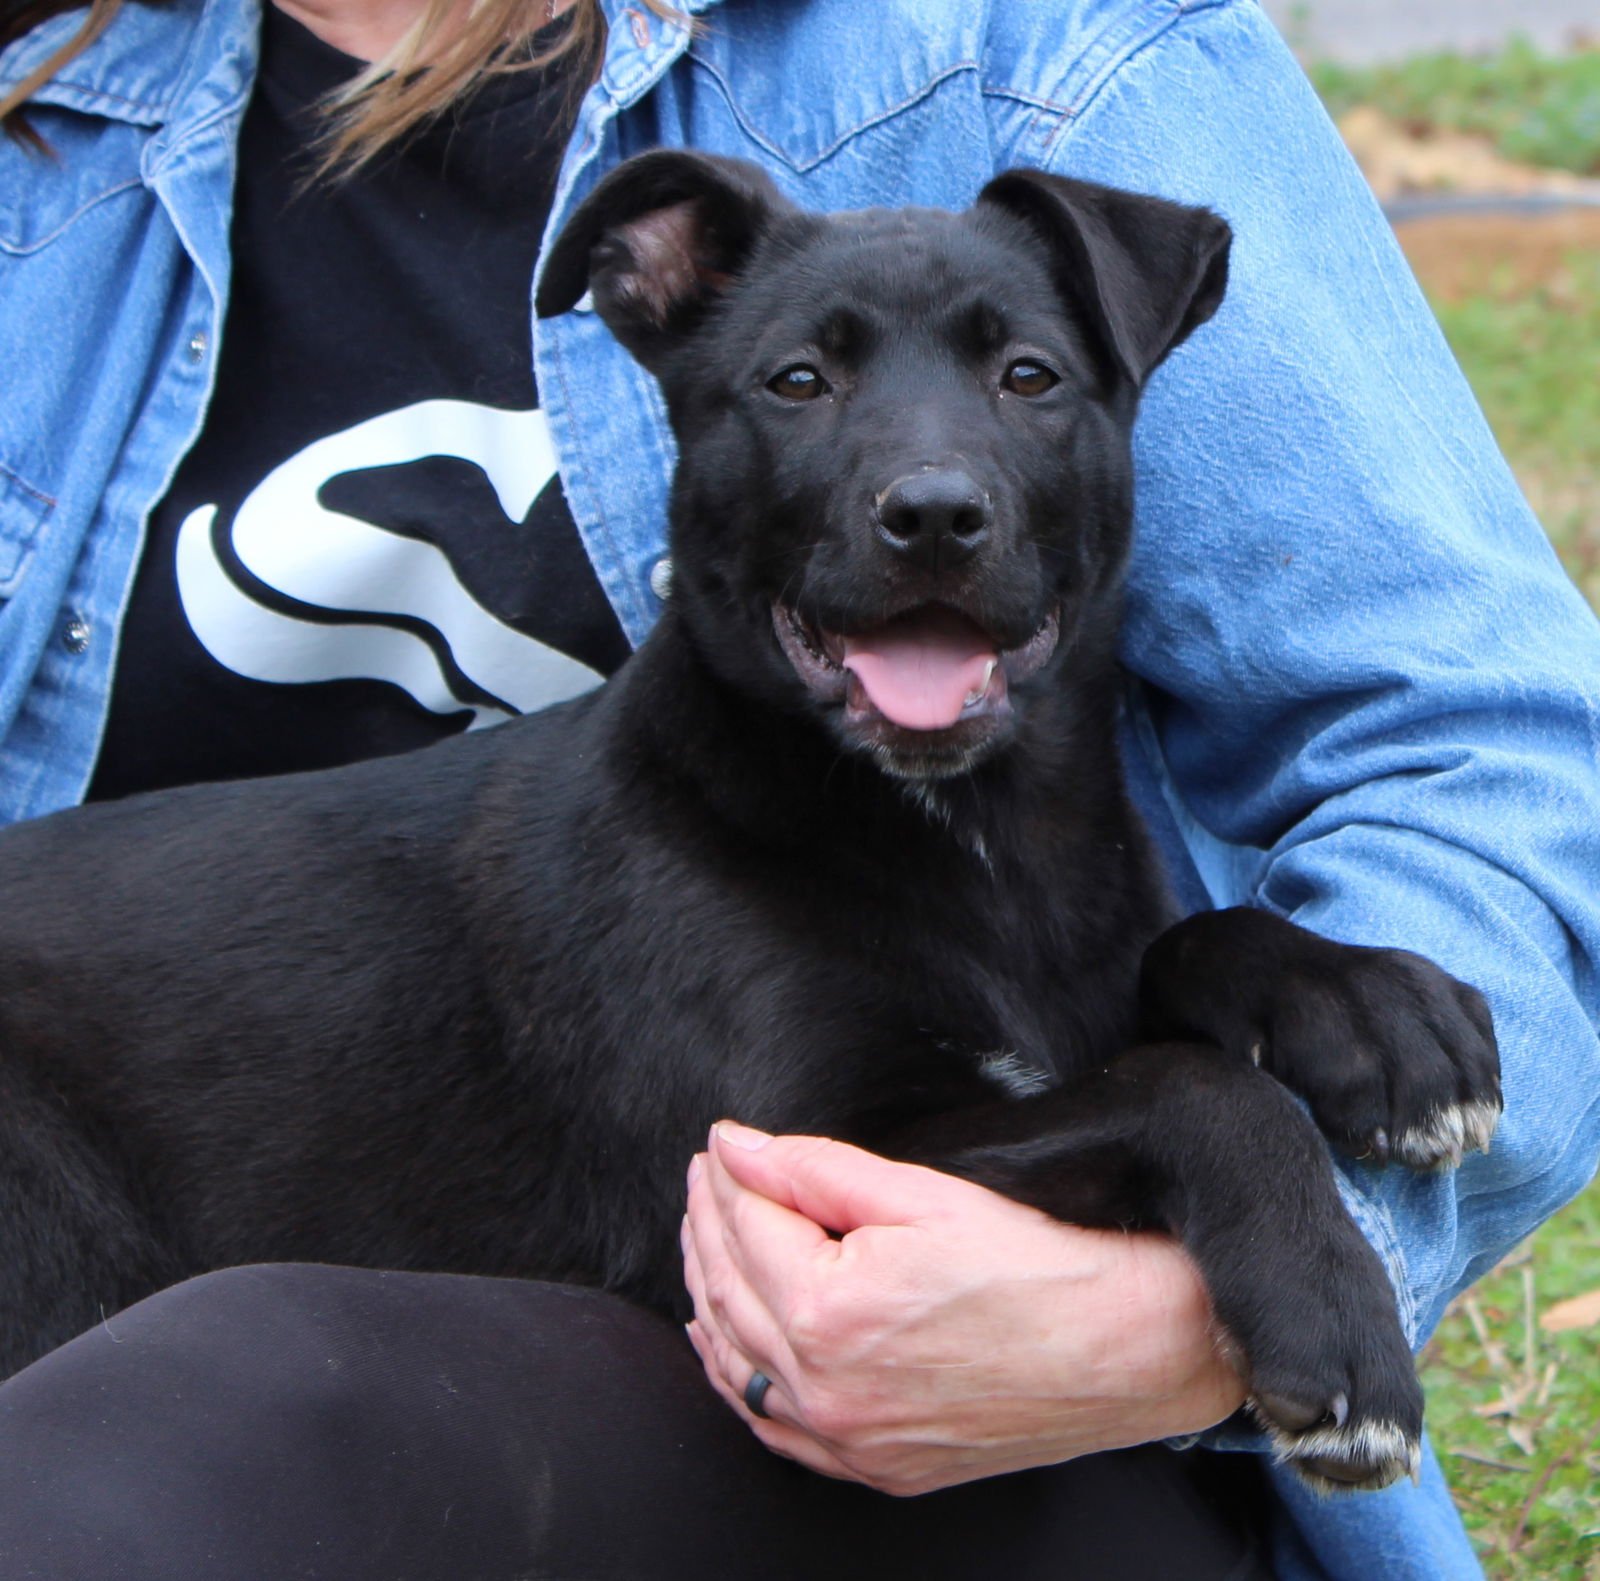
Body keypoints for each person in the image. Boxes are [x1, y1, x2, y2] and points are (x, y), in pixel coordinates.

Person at [0, 0, 1596, 1575]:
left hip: (946, 1467)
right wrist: (1185, 1116)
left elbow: (1489, 750)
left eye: (1024, 378)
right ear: (655, 310)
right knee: (218, 1386)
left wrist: (1191, 1287)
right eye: (803, 382)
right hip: (136, 1234)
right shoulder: (49, 116)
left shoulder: (1019, 58)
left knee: (245, 1388)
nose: (929, 478)